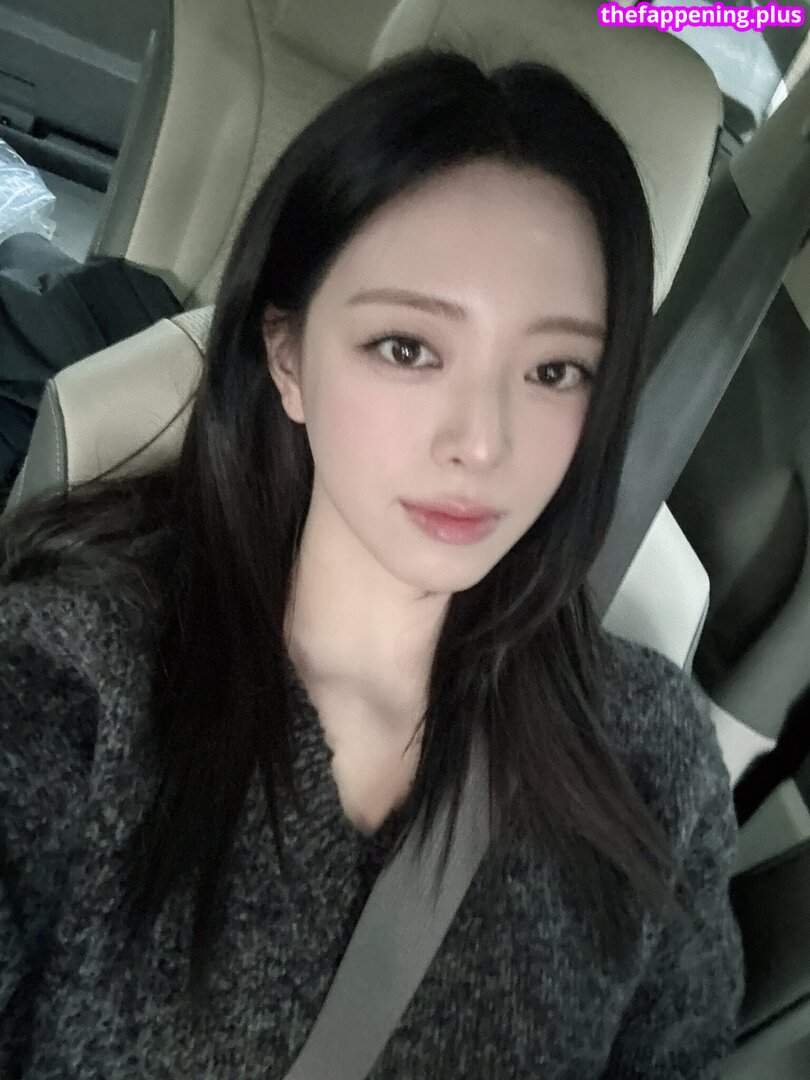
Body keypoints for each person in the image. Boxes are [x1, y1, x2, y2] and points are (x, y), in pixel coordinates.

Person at [0, 46, 744, 1078]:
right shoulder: (66, 684)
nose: (481, 443)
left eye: (554, 369)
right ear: (288, 356)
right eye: (408, 348)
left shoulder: (651, 759)